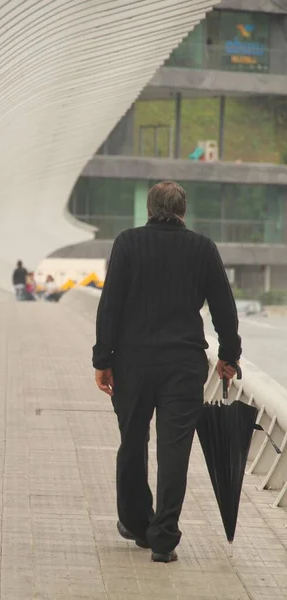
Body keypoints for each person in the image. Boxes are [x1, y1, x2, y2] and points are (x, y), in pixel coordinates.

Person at [93, 181, 241, 564]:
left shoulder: (127, 243)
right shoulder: (203, 248)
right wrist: (228, 355)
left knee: (133, 442)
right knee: (174, 451)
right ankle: (163, 539)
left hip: (132, 363)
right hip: (183, 365)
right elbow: (224, 308)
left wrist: (102, 359)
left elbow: (110, 305)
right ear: (183, 211)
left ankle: (135, 522)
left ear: (148, 208)